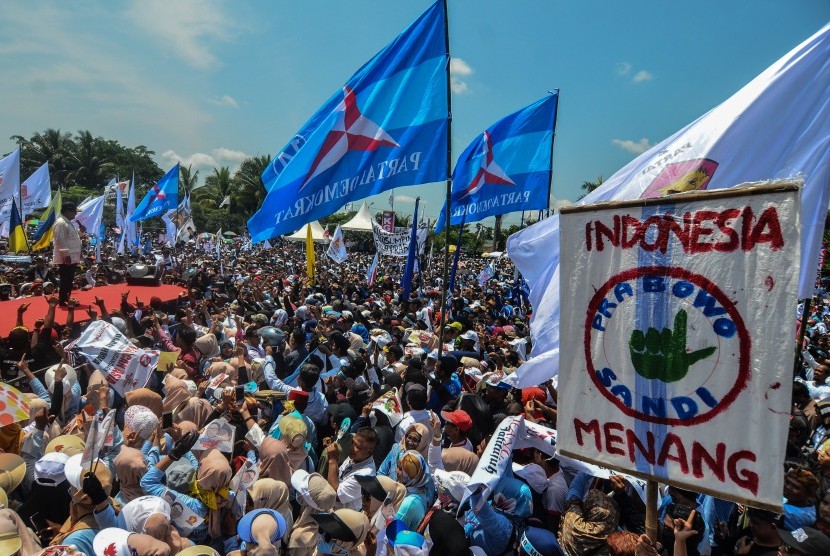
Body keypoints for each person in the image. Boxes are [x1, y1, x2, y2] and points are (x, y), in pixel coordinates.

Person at [51, 201, 81, 305]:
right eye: (74, 212)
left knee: (69, 279)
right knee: (65, 280)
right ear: (67, 211)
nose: (75, 214)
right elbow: (60, 240)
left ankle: (67, 298)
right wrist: (66, 255)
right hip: (66, 257)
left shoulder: (67, 222)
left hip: (72, 256)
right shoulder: (61, 223)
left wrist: (81, 232)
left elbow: (72, 239)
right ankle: (63, 300)